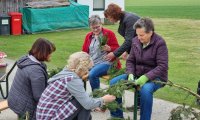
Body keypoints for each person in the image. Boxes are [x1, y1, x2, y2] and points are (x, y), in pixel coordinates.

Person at [109, 17, 168, 120]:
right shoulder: (135, 41)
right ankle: (117, 117)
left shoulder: (160, 43)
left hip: (156, 77)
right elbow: (130, 60)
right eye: (137, 34)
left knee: (145, 90)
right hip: (136, 74)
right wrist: (131, 74)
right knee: (114, 83)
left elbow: (162, 66)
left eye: (142, 35)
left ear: (150, 32)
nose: (139, 38)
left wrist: (146, 77)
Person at [36, 51, 116, 120]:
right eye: (88, 69)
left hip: (45, 115)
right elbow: (87, 104)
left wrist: (94, 104)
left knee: (82, 101)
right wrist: (103, 99)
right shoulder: (72, 79)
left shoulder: (66, 72)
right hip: (50, 117)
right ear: (82, 67)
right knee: (83, 104)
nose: (88, 72)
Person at [7, 38, 56, 120]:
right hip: (25, 109)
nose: (51, 55)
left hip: (15, 99)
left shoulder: (27, 59)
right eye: (49, 53)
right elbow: (39, 97)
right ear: (43, 53)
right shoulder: (36, 72)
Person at [82, 15, 121, 91]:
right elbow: (84, 51)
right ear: (90, 27)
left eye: (98, 27)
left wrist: (110, 48)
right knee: (76, 72)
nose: (96, 29)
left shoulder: (109, 33)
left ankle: (97, 97)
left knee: (92, 74)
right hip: (92, 63)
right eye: (93, 28)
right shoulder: (88, 36)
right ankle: (81, 97)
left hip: (107, 63)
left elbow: (118, 49)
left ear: (101, 24)